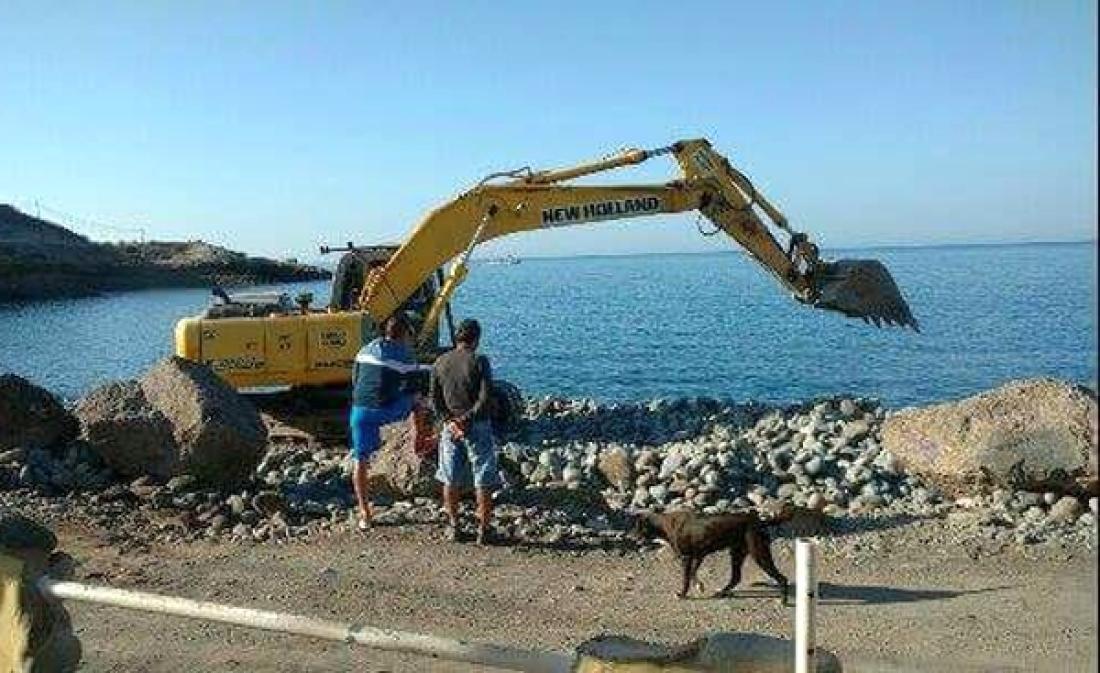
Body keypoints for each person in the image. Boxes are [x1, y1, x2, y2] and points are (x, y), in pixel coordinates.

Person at [349, 314, 429, 531]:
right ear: (404, 334)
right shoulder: (406, 355)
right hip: (384, 410)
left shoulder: (364, 350)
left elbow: (356, 380)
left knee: (360, 458)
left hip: (359, 410)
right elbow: (414, 388)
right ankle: (418, 442)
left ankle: (364, 512)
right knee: (419, 402)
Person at [430, 318, 499, 544]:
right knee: (483, 475)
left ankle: (454, 526)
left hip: (450, 428)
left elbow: (435, 400)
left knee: (449, 476)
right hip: (476, 424)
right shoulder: (479, 361)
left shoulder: (440, 362)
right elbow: (485, 398)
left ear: (456, 338)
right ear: (476, 339)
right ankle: (484, 529)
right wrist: (466, 419)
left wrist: (451, 421)